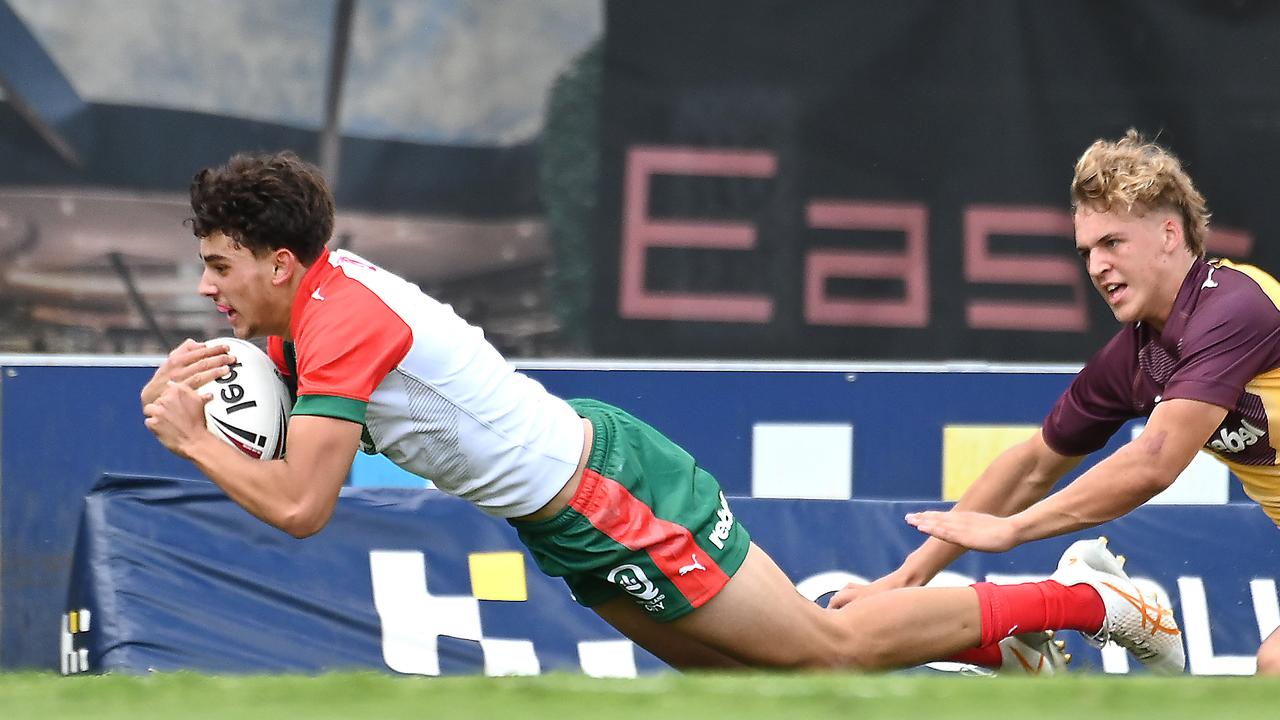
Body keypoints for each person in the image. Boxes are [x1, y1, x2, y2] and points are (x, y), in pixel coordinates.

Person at [141, 150, 1182, 675]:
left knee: (823, 657)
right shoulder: (307, 312)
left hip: (607, 494)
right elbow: (278, 426)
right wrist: (217, 381)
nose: (205, 288)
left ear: (281, 262)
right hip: (565, 513)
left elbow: (300, 506)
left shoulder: (339, 321)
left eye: (218, 267)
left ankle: (1086, 602)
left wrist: (194, 438)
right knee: (764, 684)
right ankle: (987, 645)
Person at [833, 128, 1280, 675]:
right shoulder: (1138, 354)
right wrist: (904, 580)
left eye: (1113, 243)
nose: (1095, 267)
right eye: (1087, 251)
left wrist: (1015, 530)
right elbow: (1033, 465)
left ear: (1169, 234)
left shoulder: (1236, 307)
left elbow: (1155, 460)